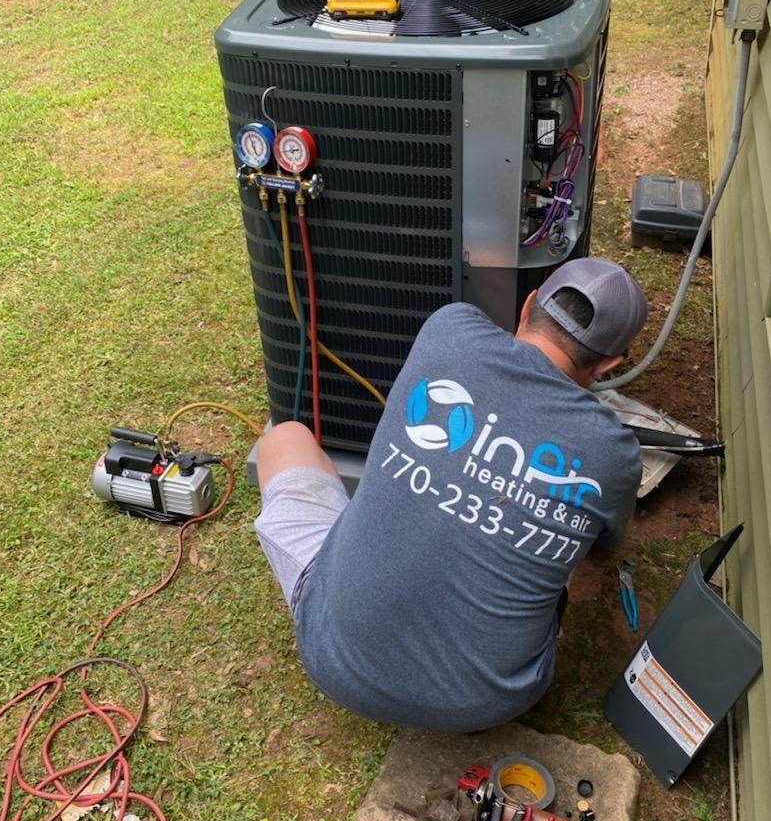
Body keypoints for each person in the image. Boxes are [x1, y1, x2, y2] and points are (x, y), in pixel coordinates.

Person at [253, 257, 648, 733]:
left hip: (334, 659)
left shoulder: (450, 328)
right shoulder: (615, 454)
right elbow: (607, 541)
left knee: (285, 438)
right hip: (485, 701)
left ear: (528, 307)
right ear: (609, 364)